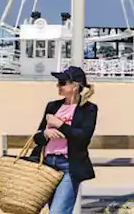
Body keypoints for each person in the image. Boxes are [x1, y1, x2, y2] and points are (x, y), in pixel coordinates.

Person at [32, 66, 98, 214]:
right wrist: (46, 133)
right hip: (47, 165)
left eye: (62, 82)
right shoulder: (53, 106)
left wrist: (60, 124)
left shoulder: (89, 109)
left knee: (57, 212)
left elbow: (83, 137)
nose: (58, 86)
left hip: (69, 166)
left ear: (75, 86)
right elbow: (37, 136)